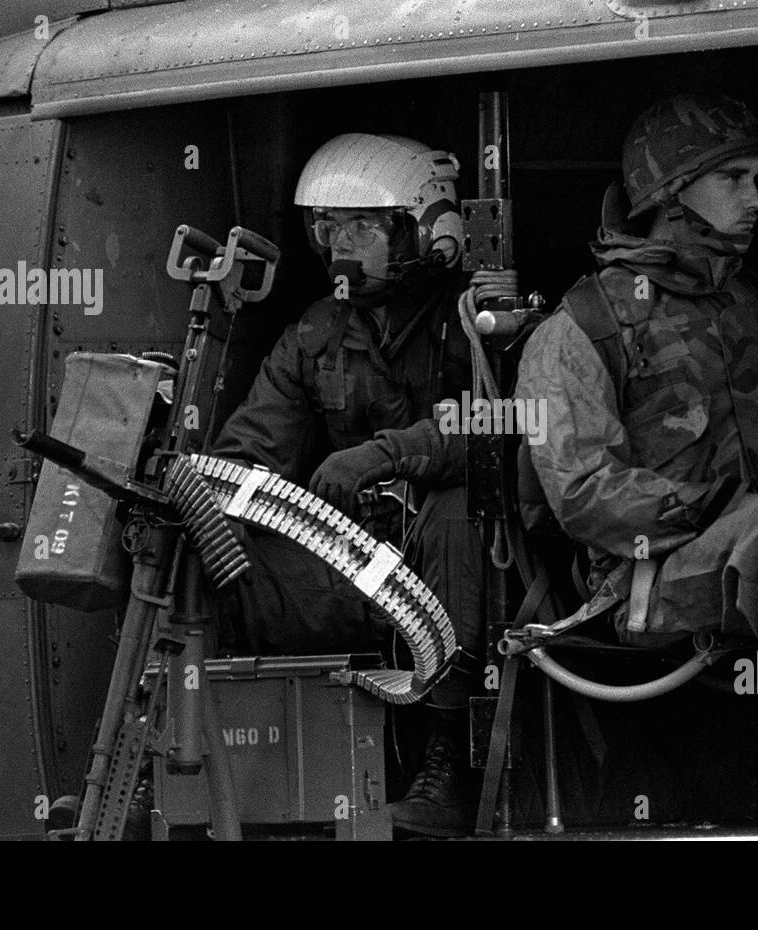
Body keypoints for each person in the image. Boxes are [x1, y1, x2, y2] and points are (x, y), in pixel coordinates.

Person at [514, 93, 758, 821]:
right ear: (670, 191)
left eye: (757, 178)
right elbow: (583, 494)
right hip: (645, 583)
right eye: (733, 179)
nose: (757, 198)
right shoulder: (581, 327)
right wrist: (724, 509)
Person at [212, 133, 498, 837]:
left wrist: (382, 456)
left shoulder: (473, 322)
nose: (342, 244)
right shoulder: (315, 333)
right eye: (330, 226)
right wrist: (233, 497)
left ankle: (448, 766)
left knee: (462, 514)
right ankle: (221, 773)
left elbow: (496, 436)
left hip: (447, 550)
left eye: (364, 225)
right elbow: (248, 451)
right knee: (220, 551)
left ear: (428, 230)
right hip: (354, 559)